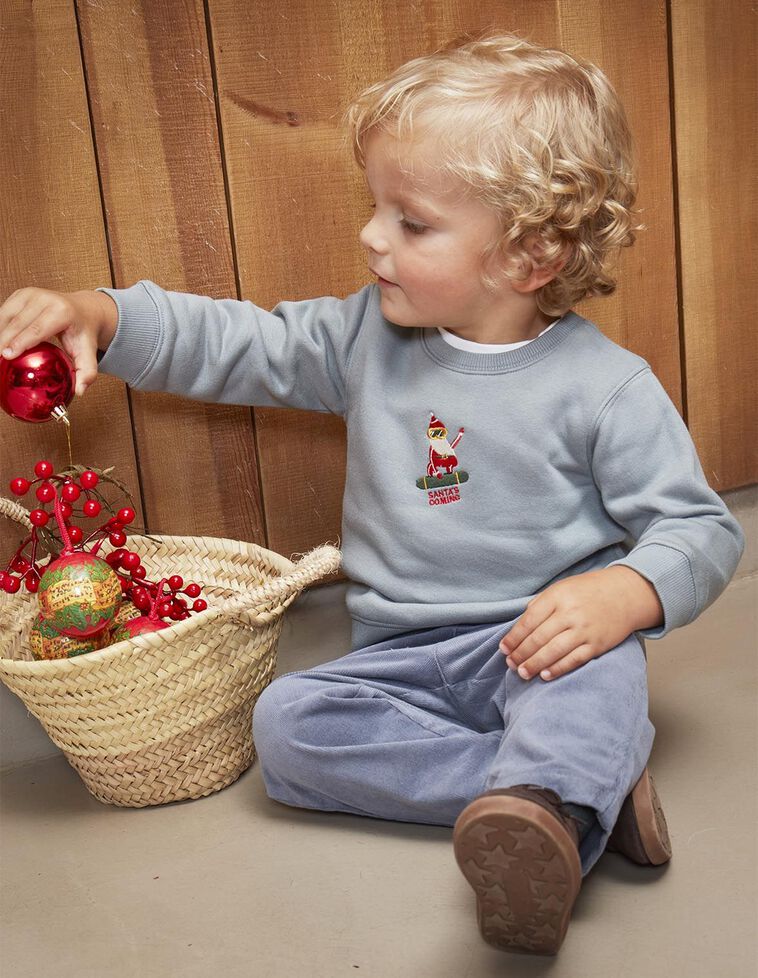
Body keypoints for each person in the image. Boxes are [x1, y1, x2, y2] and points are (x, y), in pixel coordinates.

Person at [0, 32, 744, 956]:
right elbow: (244, 344)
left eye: (412, 222)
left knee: (598, 676)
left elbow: (699, 528)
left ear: (531, 255)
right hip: (399, 663)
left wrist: (622, 594)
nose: (371, 236)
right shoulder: (365, 341)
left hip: (544, 643)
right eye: (377, 209)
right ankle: (569, 798)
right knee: (289, 731)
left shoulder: (607, 387)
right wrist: (105, 314)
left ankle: (563, 779)